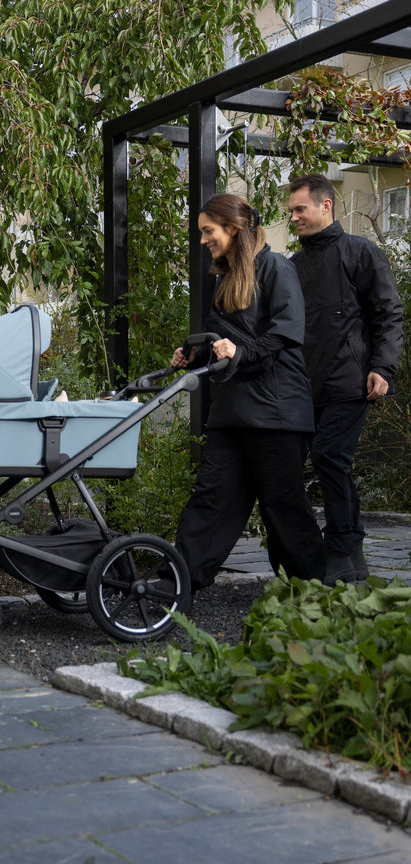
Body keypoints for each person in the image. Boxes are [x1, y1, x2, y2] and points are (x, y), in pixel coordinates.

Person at [173, 193, 325, 592]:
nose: (203, 239)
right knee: (212, 500)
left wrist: (240, 352)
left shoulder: (275, 268)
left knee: (283, 508)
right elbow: (224, 340)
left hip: (276, 413)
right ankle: (177, 584)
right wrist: (196, 353)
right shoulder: (224, 279)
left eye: (208, 231)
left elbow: (286, 332)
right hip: (231, 412)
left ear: (233, 228)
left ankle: (308, 592)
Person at [288, 174, 404, 585]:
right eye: (291, 211)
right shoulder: (292, 266)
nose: (293, 217)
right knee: (302, 465)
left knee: (329, 457)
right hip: (303, 387)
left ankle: (340, 547)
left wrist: (382, 368)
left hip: (351, 382)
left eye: (300, 209)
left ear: (326, 206)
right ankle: (349, 557)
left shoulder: (361, 252)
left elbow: (388, 314)